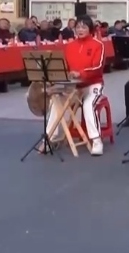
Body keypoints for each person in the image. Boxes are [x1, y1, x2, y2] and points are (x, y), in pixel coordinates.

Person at [52, 15, 107, 156]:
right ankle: (50, 137)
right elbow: (64, 66)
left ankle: (96, 141)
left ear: (90, 29)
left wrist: (80, 73)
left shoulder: (98, 45)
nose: (80, 30)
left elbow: (98, 67)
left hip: (93, 84)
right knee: (56, 102)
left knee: (88, 105)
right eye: (78, 27)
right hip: (73, 86)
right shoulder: (70, 46)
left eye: (84, 27)